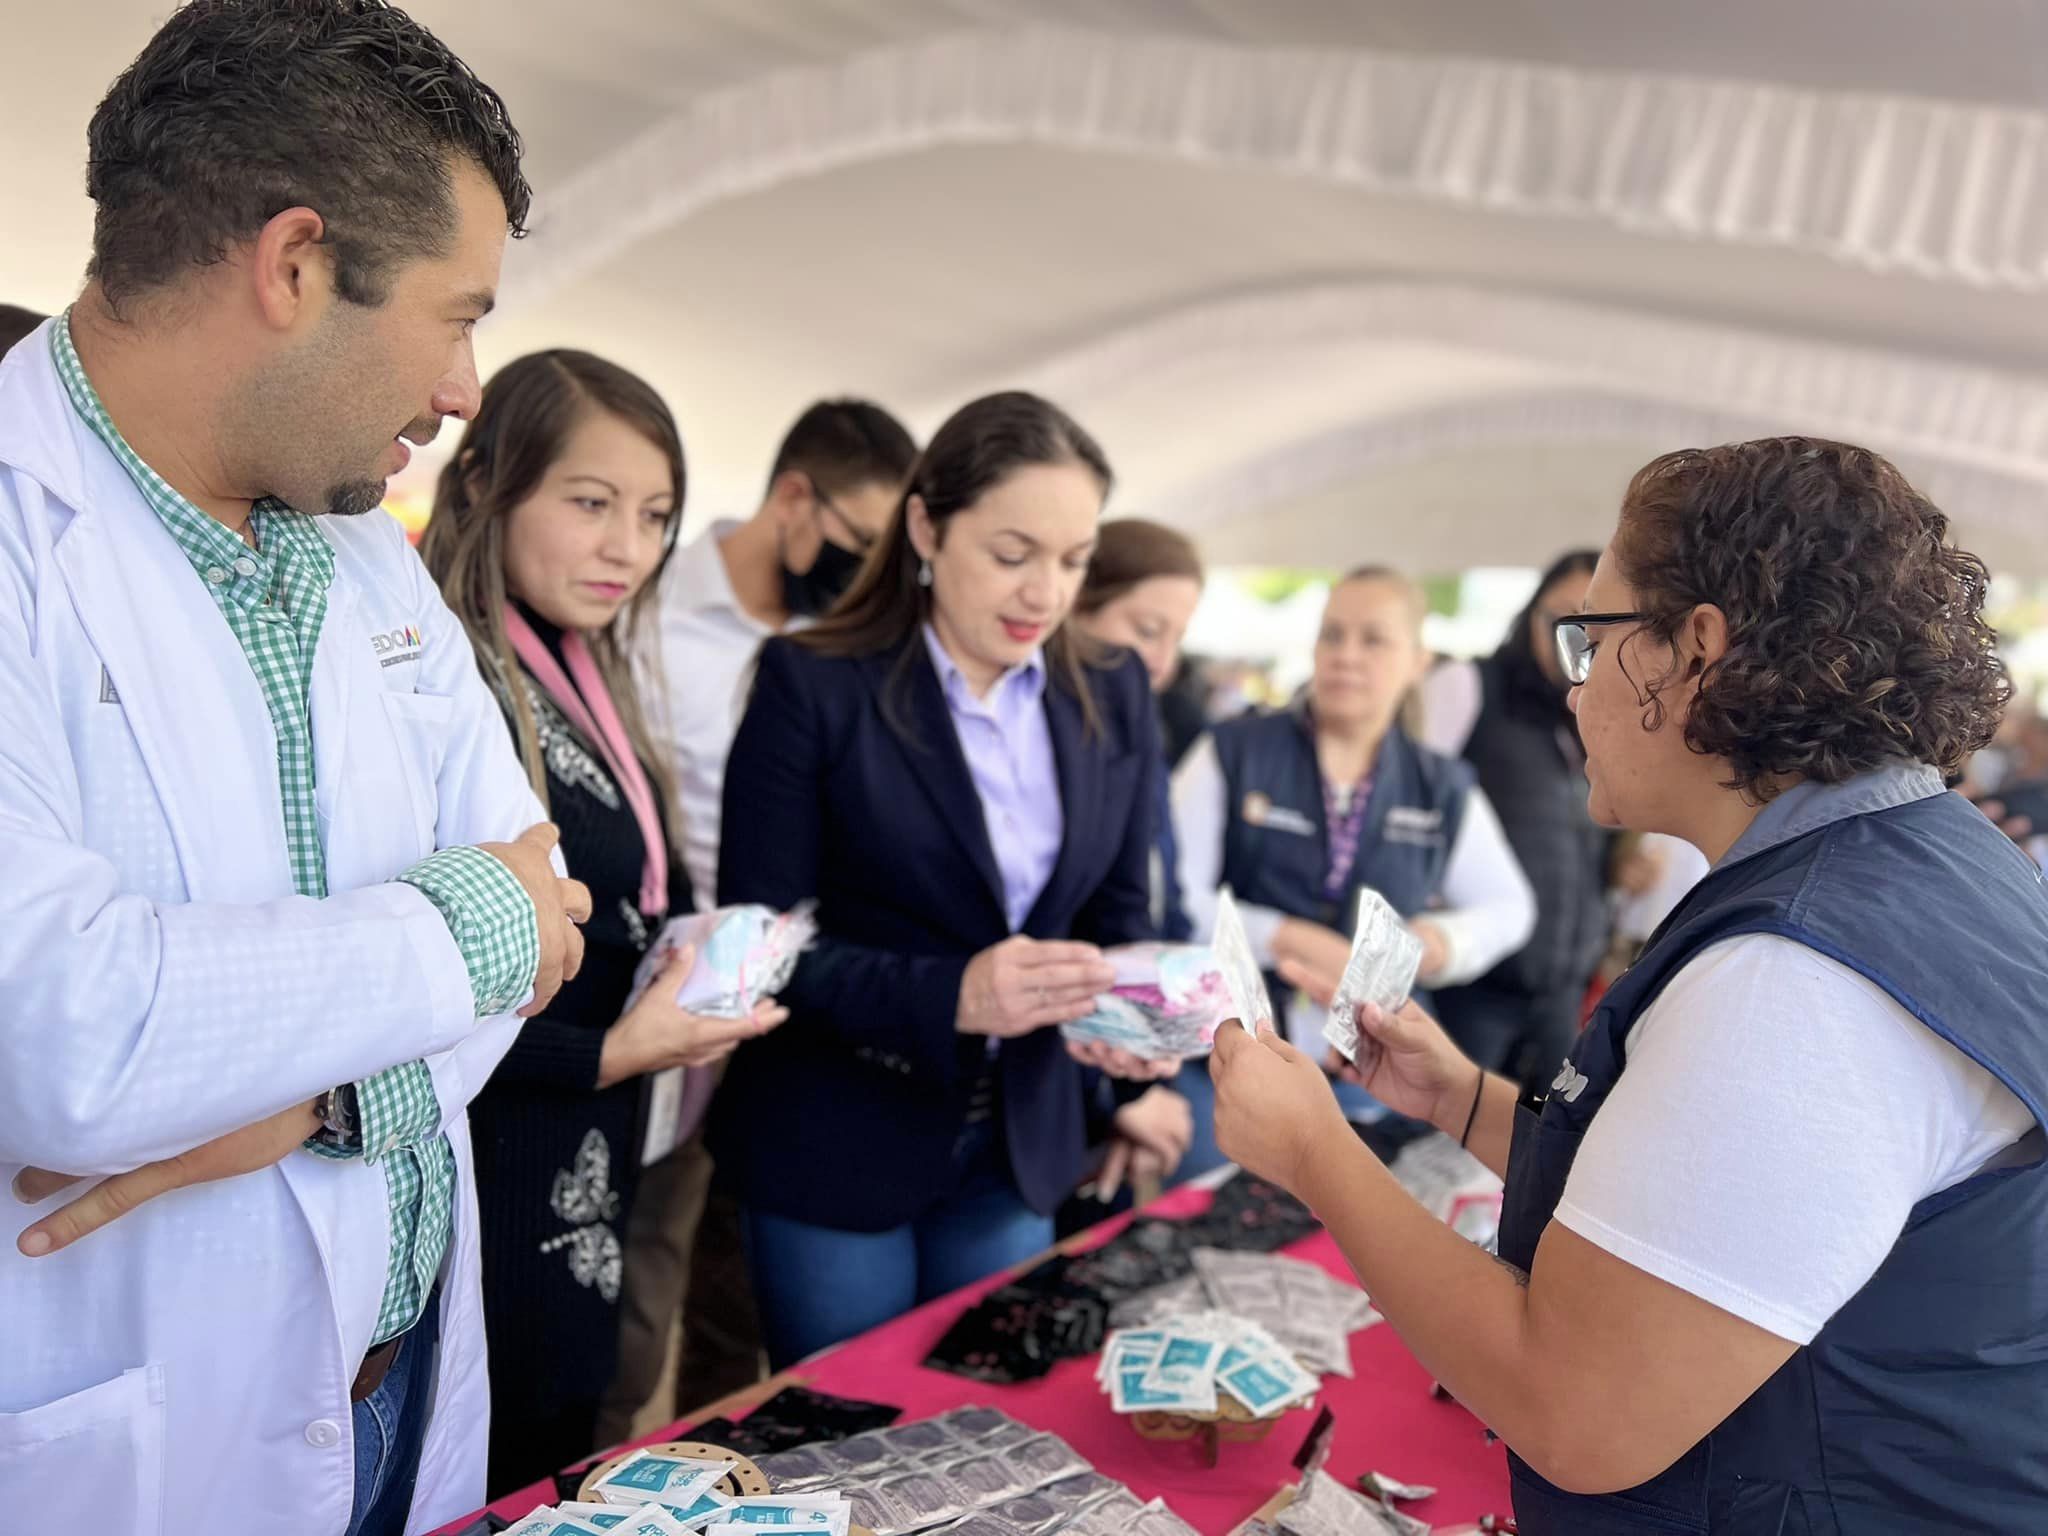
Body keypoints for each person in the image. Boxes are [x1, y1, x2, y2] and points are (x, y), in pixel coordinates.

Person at [1209, 437, 2046, 1533]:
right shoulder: (1926, 854)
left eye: (1589, 639)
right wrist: (1459, 1099)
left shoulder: (1793, 983)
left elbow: (1571, 1407)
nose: (1571, 688)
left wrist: (1313, 1149)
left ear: (1693, 649)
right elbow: (1697, 1212)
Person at [0, 4, 593, 1532]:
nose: (466, 389)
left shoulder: (363, 557)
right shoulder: (16, 534)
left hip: (395, 1381)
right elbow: (63, 1034)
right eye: (458, 316)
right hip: (139, 1428)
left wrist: (314, 1108)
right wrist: (463, 931)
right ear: (295, 266)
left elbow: (554, 919)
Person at [713, 390, 1190, 1367]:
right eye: (1011, 555)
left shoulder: (1111, 687)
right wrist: (951, 996)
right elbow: (754, 948)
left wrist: (1128, 1019)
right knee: (841, 1446)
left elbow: (1115, 913)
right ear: (925, 526)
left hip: (1020, 1142)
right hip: (838, 1140)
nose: (1042, 594)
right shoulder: (812, 683)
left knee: (976, 1431)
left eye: (1071, 561)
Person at [419, 350, 785, 1493]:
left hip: (593, 1147)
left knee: (566, 1447)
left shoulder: (583, 665)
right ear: (482, 482)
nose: (627, 545)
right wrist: (622, 1045)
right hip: (490, 1168)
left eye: (655, 515)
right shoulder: (448, 684)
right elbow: (418, 989)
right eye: (590, 503)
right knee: (497, 1467)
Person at [600, 399, 917, 1439]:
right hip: (659, 999)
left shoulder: (854, 645)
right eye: (860, 544)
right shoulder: (640, 603)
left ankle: (728, 1478)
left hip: (797, 1012)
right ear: (794, 499)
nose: (869, 573)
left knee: (736, 1300)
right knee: (636, 1295)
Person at [1172, 567, 1535, 1121]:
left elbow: (1511, 909)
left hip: (1372, 1073)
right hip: (1226, 1058)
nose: (1346, 654)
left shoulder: (1440, 785)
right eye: (1332, 634)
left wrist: (1434, 944)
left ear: (1418, 661)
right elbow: (1172, 896)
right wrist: (1287, 938)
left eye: (1373, 639)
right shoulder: (1232, 751)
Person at [1068, 517, 1227, 1184]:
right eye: (1144, 628)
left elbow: (1161, 899)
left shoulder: (1146, 731)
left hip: (1132, 1043)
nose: (1161, 658)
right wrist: (1124, 1099)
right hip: (1080, 1053)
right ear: (1074, 608)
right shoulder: (1060, 738)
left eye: (1177, 636)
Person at [1421, 551, 1614, 1084]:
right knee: (1447, 1140)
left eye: (1591, 626)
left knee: (1534, 1143)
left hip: (1561, 995)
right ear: (1531, 616)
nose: (1572, 641)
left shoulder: (1588, 712)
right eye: (1560, 620)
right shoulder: (1471, 686)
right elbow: (1409, 798)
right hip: (1472, 987)